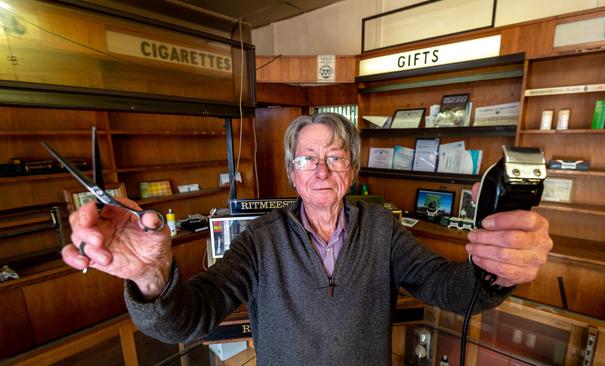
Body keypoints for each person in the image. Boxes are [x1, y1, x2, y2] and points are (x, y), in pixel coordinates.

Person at [62, 113, 552, 365]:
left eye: (335, 157)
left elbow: (447, 288)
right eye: (307, 159)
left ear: (352, 170)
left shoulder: (381, 227)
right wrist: (152, 278)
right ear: (293, 175)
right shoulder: (259, 239)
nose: (321, 170)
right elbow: (191, 316)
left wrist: (494, 270)